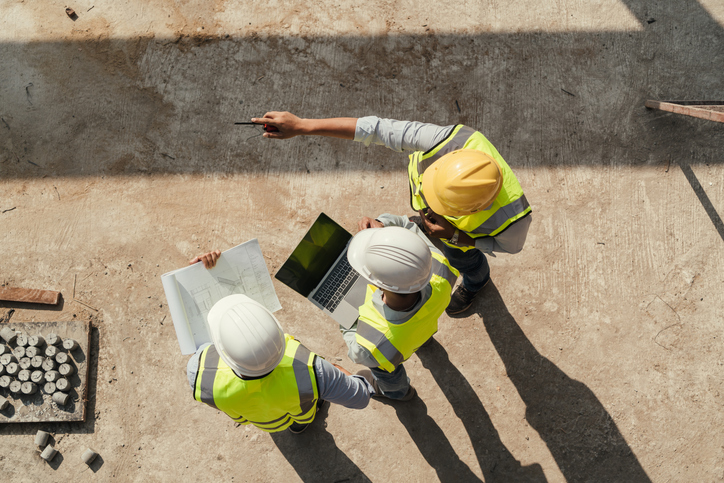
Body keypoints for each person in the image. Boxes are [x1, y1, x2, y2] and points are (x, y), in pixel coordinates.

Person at [250, 112, 532, 315]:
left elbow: (509, 248)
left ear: (473, 208)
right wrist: (303, 125)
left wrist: (459, 237)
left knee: (466, 262)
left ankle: (476, 281)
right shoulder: (449, 141)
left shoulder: (513, 222)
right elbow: (376, 129)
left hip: (460, 239)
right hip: (447, 229)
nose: (426, 207)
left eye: (437, 206)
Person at [186, 251, 375, 433]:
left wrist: (198, 276)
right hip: (300, 411)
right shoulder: (314, 371)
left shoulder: (199, 373)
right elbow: (360, 397)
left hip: (262, 421)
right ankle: (300, 425)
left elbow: (200, 340)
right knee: (302, 414)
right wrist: (333, 372)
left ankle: (293, 426)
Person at [341, 215, 458, 400]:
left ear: (376, 284)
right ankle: (423, 342)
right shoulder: (441, 268)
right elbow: (407, 227)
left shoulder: (372, 346)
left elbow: (356, 352)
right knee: (418, 332)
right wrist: (383, 228)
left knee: (386, 372)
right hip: (420, 328)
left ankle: (398, 393)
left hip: (391, 351)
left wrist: (343, 315)